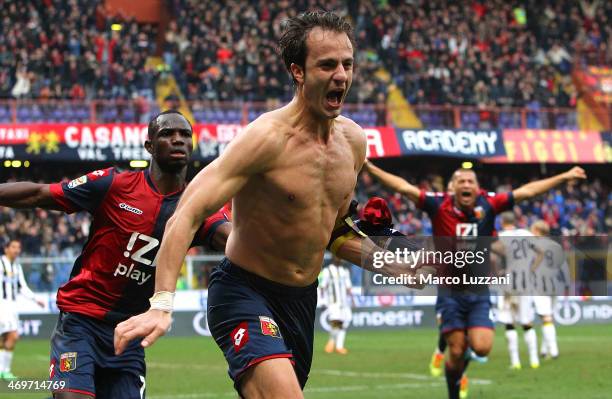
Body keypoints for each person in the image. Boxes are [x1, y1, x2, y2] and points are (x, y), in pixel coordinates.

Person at [114, 12, 429, 399]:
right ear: (298, 71)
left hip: (301, 301)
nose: (342, 76)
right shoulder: (265, 139)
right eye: (327, 65)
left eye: (347, 64)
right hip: (243, 293)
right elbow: (187, 214)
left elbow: (335, 233)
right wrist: (161, 303)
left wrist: (388, 263)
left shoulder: (354, 143)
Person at [0, 110, 231, 398]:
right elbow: (39, 194)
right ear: (149, 146)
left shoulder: (198, 206)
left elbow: (231, 239)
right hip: (82, 321)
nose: (177, 140)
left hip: (130, 331)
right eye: (167, 134)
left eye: (185, 135)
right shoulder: (114, 184)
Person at [362, 161, 586, 399]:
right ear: (453, 188)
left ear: (478, 188)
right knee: (456, 351)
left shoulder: (489, 205)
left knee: (482, 347)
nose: (466, 185)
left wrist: (564, 176)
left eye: (471, 181)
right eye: (461, 181)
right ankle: (454, 391)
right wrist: (370, 168)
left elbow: (527, 191)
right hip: (449, 292)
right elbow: (404, 188)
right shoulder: (438, 205)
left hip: (479, 292)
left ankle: (457, 364)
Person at [493, 212, 541, 370]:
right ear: (515, 221)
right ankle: (534, 360)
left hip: (508, 281)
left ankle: (515, 362)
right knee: (527, 321)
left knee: (509, 321)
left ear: (502, 222)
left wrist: (497, 272)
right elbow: (541, 252)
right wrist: (532, 269)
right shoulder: (526, 234)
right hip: (526, 280)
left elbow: (492, 257)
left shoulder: (501, 236)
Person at [0, 238, 45, 380]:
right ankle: (5, 370)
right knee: (13, 336)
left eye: (18, 247)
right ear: (6, 249)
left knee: (4, 339)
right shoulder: (1, 264)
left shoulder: (16, 267)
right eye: (13, 247)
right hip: (2, 305)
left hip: (12, 306)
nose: (16, 250)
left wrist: (35, 299)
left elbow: (22, 287)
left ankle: (3, 371)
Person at [530, 220, 569, 359]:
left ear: (537, 231)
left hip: (541, 285)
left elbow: (529, 266)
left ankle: (554, 351)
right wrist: (566, 285)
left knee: (546, 317)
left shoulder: (534, 246)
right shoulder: (555, 246)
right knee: (548, 317)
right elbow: (564, 267)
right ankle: (544, 349)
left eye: (532, 230)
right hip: (556, 285)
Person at [320, 256, 353, 355]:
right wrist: (322, 301)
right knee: (336, 322)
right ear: (333, 258)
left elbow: (348, 288)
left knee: (344, 324)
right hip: (333, 302)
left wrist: (353, 300)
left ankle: (339, 346)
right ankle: (331, 342)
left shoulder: (345, 271)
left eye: (340, 258)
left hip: (344, 302)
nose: (340, 259)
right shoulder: (327, 271)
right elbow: (322, 287)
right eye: (337, 258)